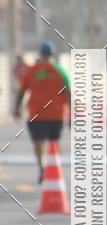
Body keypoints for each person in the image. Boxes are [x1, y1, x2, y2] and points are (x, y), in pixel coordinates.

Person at [13, 41, 70, 183]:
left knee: (38, 143)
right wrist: (72, 114)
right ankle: (55, 167)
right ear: (52, 54)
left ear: (40, 54)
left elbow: (21, 91)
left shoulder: (32, 71)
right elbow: (68, 93)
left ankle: (42, 166)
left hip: (36, 113)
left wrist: (17, 108)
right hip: (56, 113)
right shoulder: (60, 70)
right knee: (54, 142)